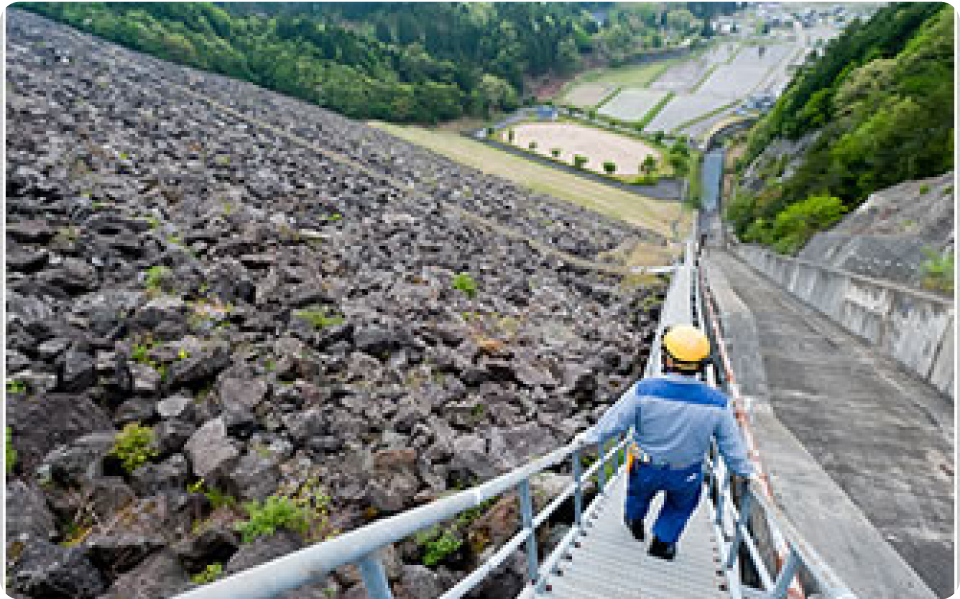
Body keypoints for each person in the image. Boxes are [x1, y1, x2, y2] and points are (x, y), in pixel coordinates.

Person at [574, 324, 754, 561]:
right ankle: (663, 542)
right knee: (680, 507)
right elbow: (732, 446)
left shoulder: (644, 390)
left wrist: (585, 438)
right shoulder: (718, 404)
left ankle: (634, 521)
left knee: (637, 496)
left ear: (667, 359)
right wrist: (743, 472)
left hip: (645, 466)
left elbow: (613, 423)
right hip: (686, 473)